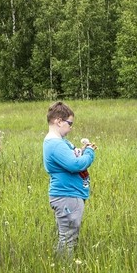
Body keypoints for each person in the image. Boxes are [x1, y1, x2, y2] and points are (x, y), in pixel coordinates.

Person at [43, 102, 96, 258]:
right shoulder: (55, 145)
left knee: (68, 235)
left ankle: (62, 267)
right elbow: (75, 165)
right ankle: (64, 272)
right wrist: (90, 153)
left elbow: (73, 156)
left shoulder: (60, 142)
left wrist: (83, 150)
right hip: (67, 196)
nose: (71, 127)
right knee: (68, 238)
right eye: (69, 123)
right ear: (58, 121)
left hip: (71, 195)